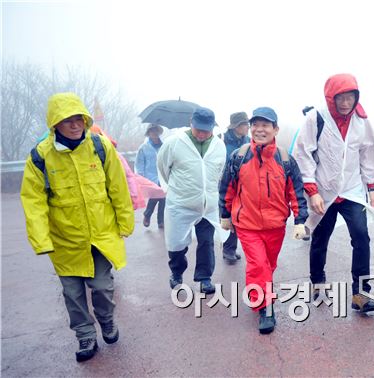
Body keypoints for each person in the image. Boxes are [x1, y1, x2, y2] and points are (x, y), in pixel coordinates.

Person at [20, 92, 134, 362]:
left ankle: (106, 320)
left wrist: (124, 221)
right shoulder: (40, 157)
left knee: (103, 287)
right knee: (72, 293)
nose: (75, 125)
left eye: (79, 119)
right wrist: (41, 239)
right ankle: (85, 335)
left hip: (101, 235)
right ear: (54, 124)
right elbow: (34, 202)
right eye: (67, 120)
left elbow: (117, 186)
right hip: (65, 240)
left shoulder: (100, 146)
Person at [293, 73, 374, 314]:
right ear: (331, 98)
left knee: (362, 236)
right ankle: (317, 281)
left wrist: (372, 186)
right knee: (321, 238)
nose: (345, 104)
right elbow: (303, 154)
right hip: (325, 190)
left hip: (352, 190)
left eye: (350, 98)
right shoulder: (316, 118)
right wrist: (311, 191)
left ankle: (361, 294)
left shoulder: (361, 120)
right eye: (340, 98)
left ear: (356, 98)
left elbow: (368, 153)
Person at [219, 107, 308, 334]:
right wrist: (225, 214)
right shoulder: (239, 157)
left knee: (268, 265)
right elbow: (226, 188)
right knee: (258, 264)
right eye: (255, 125)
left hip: (275, 226)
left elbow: (296, 192)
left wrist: (300, 220)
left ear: (275, 129)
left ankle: (258, 292)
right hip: (247, 225)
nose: (260, 129)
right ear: (250, 129)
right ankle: (265, 307)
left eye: (265, 125)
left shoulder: (286, 160)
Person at [157, 106, 226, 294]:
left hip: (207, 205)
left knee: (206, 241)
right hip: (180, 203)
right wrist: (171, 190)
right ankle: (177, 272)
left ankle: (204, 278)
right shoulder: (174, 143)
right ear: (191, 124)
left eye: (206, 130)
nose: (202, 134)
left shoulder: (220, 146)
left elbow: (219, 172)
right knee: (176, 243)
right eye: (198, 130)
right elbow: (163, 169)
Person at [221, 112, 251, 264]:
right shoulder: (223, 141)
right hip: (227, 183)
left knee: (239, 216)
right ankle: (228, 249)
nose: (248, 127)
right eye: (245, 124)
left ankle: (231, 248)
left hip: (244, 184)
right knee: (229, 216)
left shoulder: (248, 140)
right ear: (237, 126)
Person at [136, 124, 165, 228]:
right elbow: (139, 163)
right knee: (154, 197)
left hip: (163, 176)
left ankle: (161, 221)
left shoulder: (164, 145)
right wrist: (140, 177)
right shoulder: (143, 148)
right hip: (150, 177)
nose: (154, 133)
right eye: (152, 131)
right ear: (148, 133)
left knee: (163, 198)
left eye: (156, 131)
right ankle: (147, 215)